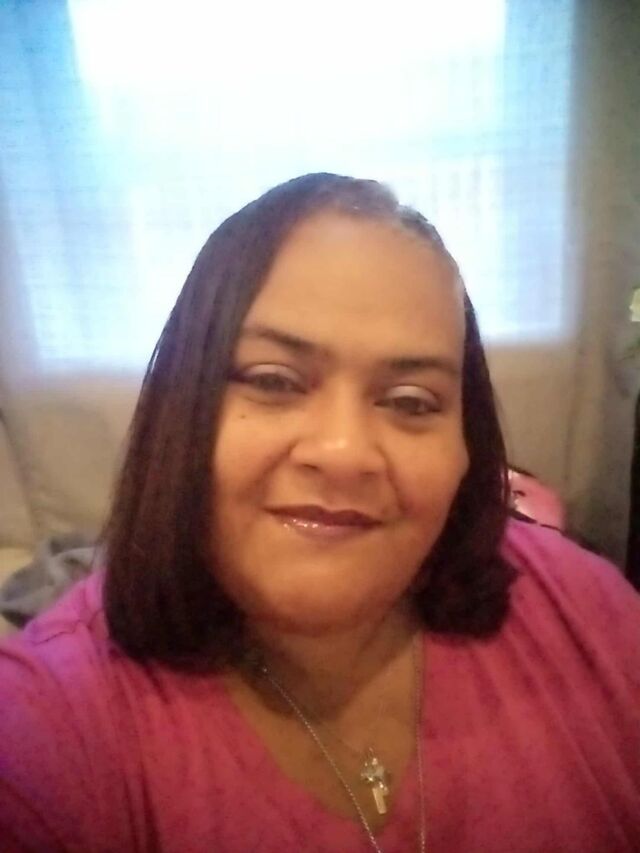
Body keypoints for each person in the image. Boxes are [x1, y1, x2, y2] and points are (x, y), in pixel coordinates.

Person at [0, 173, 638, 853]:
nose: (344, 453)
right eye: (274, 381)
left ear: (466, 449)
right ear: (180, 410)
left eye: (411, 401)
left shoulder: (586, 608)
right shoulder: (47, 725)